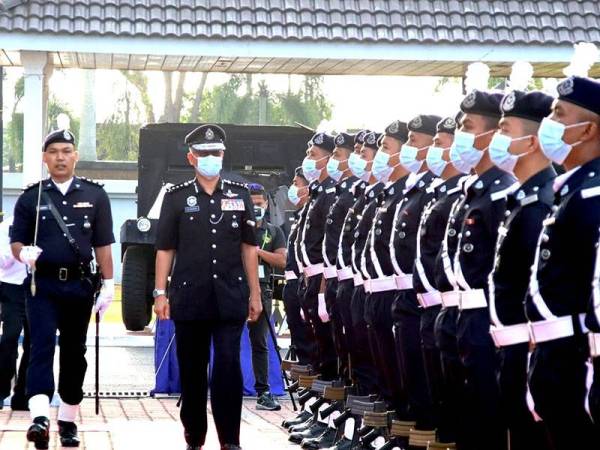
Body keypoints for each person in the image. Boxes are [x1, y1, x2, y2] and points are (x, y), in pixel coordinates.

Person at [153, 124, 261, 450]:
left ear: (223, 155)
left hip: (230, 296)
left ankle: (230, 441)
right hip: (189, 296)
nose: (210, 158)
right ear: (191, 157)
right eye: (203, 153)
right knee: (193, 371)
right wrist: (160, 292)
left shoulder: (239, 195)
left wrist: (255, 293)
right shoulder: (176, 197)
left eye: (216, 153)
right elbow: (165, 248)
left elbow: (249, 248)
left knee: (228, 366)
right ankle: (194, 438)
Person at [10, 129, 115, 449]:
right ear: (45, 158)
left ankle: (68, 419)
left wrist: (108, 285)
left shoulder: (96, 196)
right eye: (53, 151)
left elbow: (103, 246)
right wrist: (22, 253)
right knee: (39, 347)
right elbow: (17, 240)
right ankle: (39, 419)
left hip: (79, 287)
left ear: (75, 156)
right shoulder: (32, 197)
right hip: (42, 285)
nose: (60, 157)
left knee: (74, 353)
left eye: (66, 150)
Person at [527, 76, 600, 449]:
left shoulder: (592, 195)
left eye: (558, 115)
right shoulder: (572, 191)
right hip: (555, 355)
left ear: (587, 129)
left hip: (576, 358)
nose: (548, 126)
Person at [487, 90, 555, 450]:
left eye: (505, 129)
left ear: (532, 140)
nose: (498, 140)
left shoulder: (541, 202)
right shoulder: (522, 199)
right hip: (509, 344)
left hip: (532, 347)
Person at [452, 90, 516, 450]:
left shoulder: (501, 193)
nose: (462, 135)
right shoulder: (477, 192)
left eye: (467, 126)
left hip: (487, 319)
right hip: (465, 316)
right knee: (470, 411)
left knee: (490, 415)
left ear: (491, 136)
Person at [413, 116, 464, 446]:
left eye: (437, 144)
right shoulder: (437, 194)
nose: (429, 152)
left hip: (455, 308)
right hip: (431, 305)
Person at [389, 114, 440, 438]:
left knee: (432, 389)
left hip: (429, 301)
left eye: (414, 141)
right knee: (397, 375)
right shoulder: (413, 192)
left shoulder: (433, 194)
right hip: (400, 296)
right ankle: (405, 433)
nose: (408, 148)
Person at [362, 121, 410, 417]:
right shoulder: (389, 194)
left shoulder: (409, 195)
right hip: (375, 290)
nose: (379, 155)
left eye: (384, 148)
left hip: (402, 293)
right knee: (382, 369)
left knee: (409, 379)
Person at [295, 132, 338, 380]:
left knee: (330, 349)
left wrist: (321, 289)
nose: (308, 159)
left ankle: (332, 401)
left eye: (314, 155)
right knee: (318, 346)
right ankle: (321, 405)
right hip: (310, 278)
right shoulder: (318, 192)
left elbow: (328, 245)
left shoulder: (331, 193)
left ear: (329, 159)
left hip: (323, 277)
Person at [321, 131, 358, 385]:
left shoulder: (351, 195)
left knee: (358, 355)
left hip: (354, 281)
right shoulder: (340, 194)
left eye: (337, 155)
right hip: (335, 280)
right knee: (338, 347)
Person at [247, 183, 286, 411]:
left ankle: (263, 392)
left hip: (263, 291)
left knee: (259, 343)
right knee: (226, 340)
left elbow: (282, 260)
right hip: (235, 289)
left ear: (266, 203)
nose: (256, 207)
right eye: (251, 204)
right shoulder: (238, 228)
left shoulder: (274, 231)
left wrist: (256, 252)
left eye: (259, 203)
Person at [282, 168, 315, 369]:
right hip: (292, 282)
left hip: (305, 281)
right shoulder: (300, 215)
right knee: (298, 334)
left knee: (309, 337)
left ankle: (313, 370)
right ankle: (306, 370)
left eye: (297, 183)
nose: (294, 188)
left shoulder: (312, 213)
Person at [0, 215, 29, 411]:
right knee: (9, 337)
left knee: (35, 342)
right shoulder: (9, 226)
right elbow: (2, 262)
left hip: (40, 288)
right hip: (13, 287)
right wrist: (17, 250)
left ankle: (23, 394)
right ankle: (1, 390)